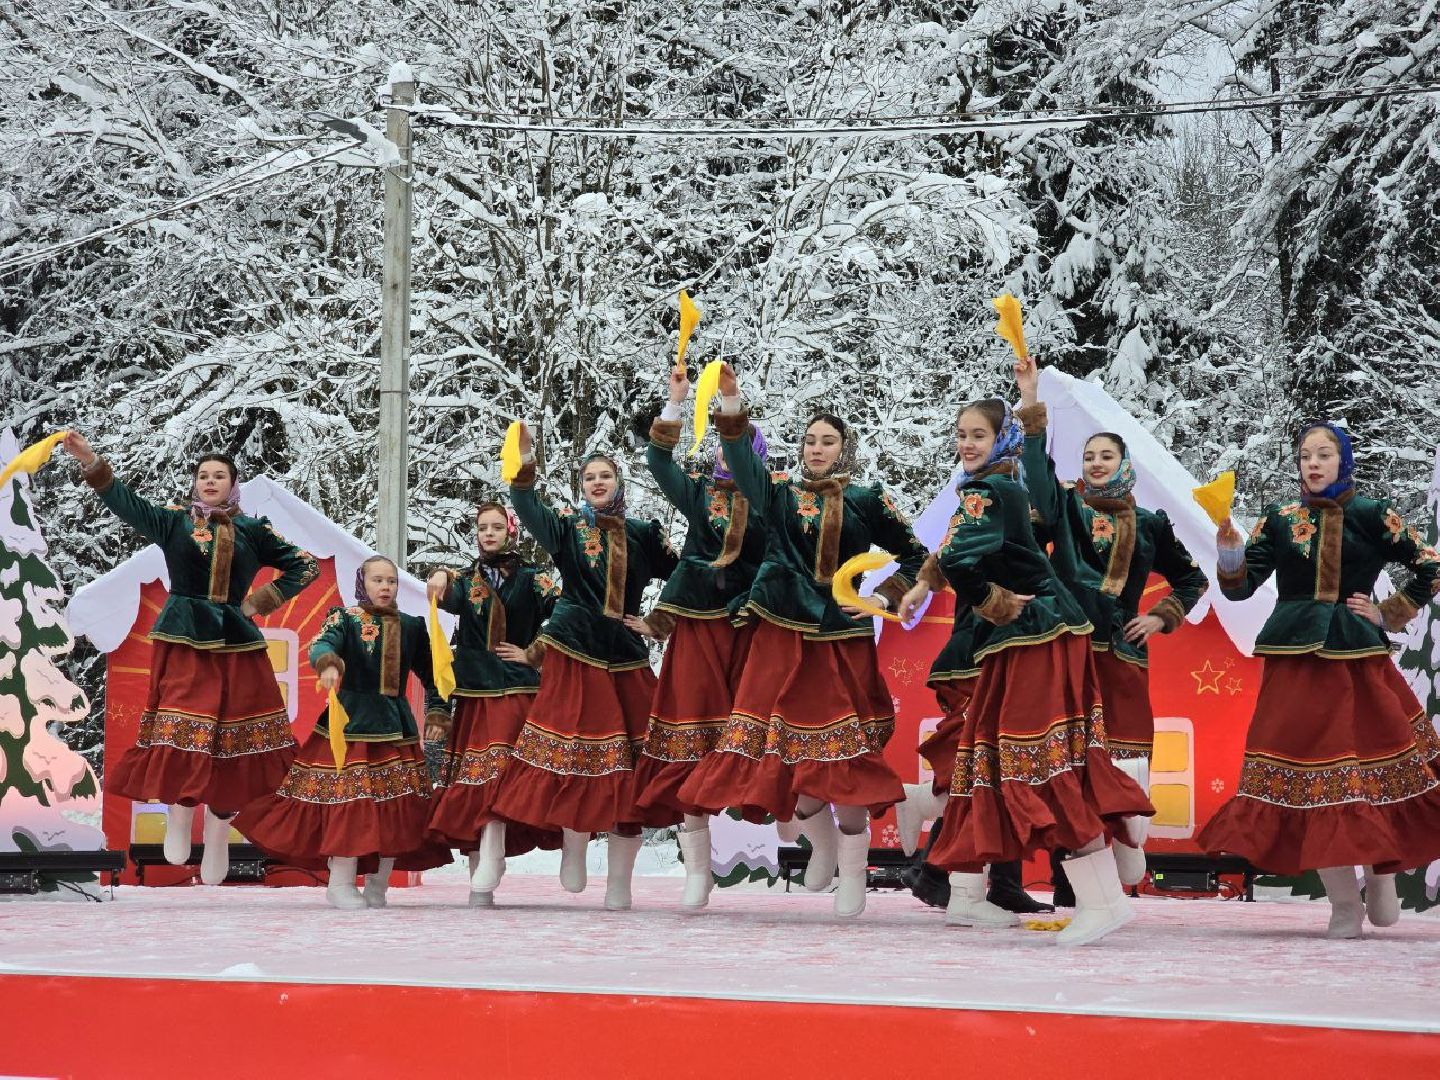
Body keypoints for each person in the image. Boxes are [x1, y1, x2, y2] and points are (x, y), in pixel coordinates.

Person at [676, 364, 930, 918]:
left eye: (828, 441)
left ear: (845, 448)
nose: (817, 448)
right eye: (810, 440)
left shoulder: (868, 499)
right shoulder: (778, 495)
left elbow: (916, 554)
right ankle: (821, 847)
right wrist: (732, 405)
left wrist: (881, 597)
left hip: (839, 637)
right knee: (762, 749)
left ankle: (854, 879)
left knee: (843, 756)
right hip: (777, 634)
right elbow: (741, 461)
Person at [898, 398, 1151, 945]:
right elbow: (957, 547)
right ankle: (977, 893)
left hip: (1038, 634)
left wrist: (990, 599)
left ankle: (1104, 900)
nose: (966, 445)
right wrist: (923, 584)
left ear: (1003, 440)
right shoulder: (992, 488)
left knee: (1044, 763)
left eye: (978, 436)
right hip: (1028, 638)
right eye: (961, 434)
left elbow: (964, 557)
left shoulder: (994, 488)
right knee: (1003, 762)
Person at [1201, 421, 1440, 937]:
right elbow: (1241, 590)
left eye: (1324, 453)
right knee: (1315, 783)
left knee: (1369, 774)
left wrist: (1390, 610)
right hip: (1296, 668)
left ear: (1342, 460)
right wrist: (1230, 553)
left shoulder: (1372, 514)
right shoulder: (1281, 519)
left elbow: (1431, 564)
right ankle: (1342, 904)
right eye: (1306, 454)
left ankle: (1382, 873)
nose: (1313, 463)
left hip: (1357, 660)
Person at [63, 434, 319, 885]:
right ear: (195, 483)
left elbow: (306, 564)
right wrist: (92, 464)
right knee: (186, 724)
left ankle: (219, 830)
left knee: (232, 737)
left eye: (219, 475)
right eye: (203, 475)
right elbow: (125, 502)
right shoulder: (174, 522)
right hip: (183, 636)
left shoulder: (254, 530)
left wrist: (261, 599)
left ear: (233, 484)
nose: (210, 481)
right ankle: (181, 812)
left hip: (237, 644)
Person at [1014, 355, 1208, 887]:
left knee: (1121, 766)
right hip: (1067, 654)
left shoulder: (1150, 524)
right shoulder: (1068, 511)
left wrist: (1161, 617)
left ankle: (1121, 848)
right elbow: (1038, 478)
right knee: (1068, 764)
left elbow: (1194, 580)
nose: (1097, 463)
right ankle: (1069, 888)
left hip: (1121, 660)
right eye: (1089, 456)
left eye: (1106, 456)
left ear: (1125, 465)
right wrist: (1031, 404)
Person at [490, 427, 678, 911]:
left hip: (625, 655)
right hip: (574, 651)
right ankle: (573, 846)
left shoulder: (643, 533)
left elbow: (689, 571)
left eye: (606, 475)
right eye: (590, 477)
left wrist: (661, 618)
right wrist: (526, 460)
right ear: (582, 485)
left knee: (632, 766)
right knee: (572, 754)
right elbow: (526, 505)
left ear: (620, 482)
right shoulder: (568, 528)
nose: (598, 482)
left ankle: (620, 882)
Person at [236, 555, 452, 909]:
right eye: (377, 580)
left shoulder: (412, 626)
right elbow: (323, 644)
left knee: (397, 809)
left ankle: (378, 886)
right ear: (362, 584)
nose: (385, 587)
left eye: (391, 581)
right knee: (348, 806)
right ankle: (340, 883)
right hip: (348, 727)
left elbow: (435, 678)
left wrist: (439, 712)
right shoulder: (345, 618)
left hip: (396, 731)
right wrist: (328, 665)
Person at [630, 367, 768, 910]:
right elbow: (658, 463)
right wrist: (674, 404)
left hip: (753, 630)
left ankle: (820, 842)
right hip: (696, 629)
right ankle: (697, 871)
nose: (727, 462)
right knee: (687, 739)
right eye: (723, 453)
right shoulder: (702, 496)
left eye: (738, 453)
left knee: (765, 738)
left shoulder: (773, 499)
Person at [424, 502, 561, 906]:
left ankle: (493, 855)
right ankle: (479, 875)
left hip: (518, 691)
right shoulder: (466, 582)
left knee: (501, 774)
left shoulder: (536, 579)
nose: (488, 533)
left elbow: (569, 613)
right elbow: (440, 596)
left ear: (511, 532)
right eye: (482, 527)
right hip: (474, 693)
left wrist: (534, 652)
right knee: (473, 780)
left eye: (496, 527)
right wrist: (440, 574)